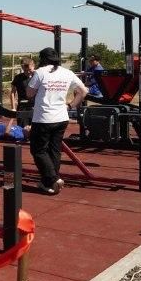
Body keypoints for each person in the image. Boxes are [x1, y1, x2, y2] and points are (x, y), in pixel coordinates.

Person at [26, 47, 87, 195]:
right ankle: (49, 183)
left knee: (38, 150)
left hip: (44, 117)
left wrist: (34, 83)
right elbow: (83, 91)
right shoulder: (67, 72)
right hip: (61, 117)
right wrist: (70, 105)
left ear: (42, 59)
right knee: (54, 150)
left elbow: (29, 93)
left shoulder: (40, 72)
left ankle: (53, 178)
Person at [10, 57, 36, 128]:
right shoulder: (18, 78)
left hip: (35, 106)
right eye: (25, 70)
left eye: (30, 70)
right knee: (22, 129)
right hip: (22, 107)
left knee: (35, 129)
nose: (28, 72)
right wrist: (13, 108)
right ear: (22, 68)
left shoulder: (37, 77)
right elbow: (12, 93)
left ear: (33, 66)